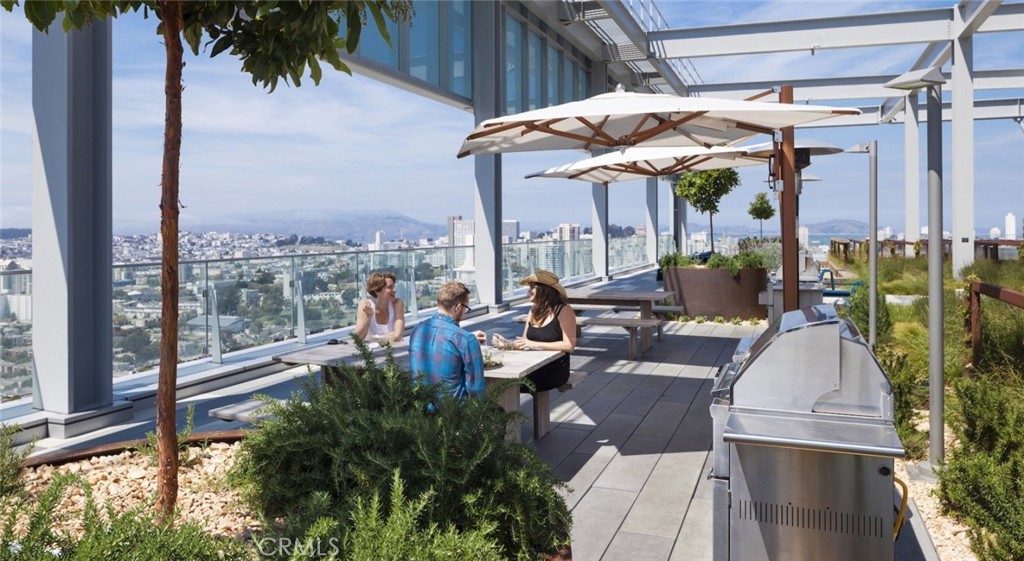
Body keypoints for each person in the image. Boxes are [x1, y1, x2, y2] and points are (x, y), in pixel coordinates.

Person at [409, 281, 486, 400]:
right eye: (466, 308)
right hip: (452, 413)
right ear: (458, 307)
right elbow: (476, 389)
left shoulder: (417, 330)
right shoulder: (466, 340)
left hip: (420, 408)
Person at [513, 270, 576, 393]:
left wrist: (535, 344)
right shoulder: (533, 311)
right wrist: (507, 344)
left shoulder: (563, 310)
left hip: (554, 369)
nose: (529, 291)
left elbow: (569, 345)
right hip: (532, 364)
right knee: (502, 383)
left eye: (532, 287)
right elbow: (525, 341)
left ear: (544, 289)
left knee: (508, 384)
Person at [353, 272, 405, 343]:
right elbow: (358, 338)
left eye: (394, 286)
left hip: (393, 350)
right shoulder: (365, 305)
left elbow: (397, 336)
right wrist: (367, 319)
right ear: (377, 290)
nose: (394, 290)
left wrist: (375, 339)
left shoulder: (397, 303)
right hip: (371, 351)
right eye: (390, 287)